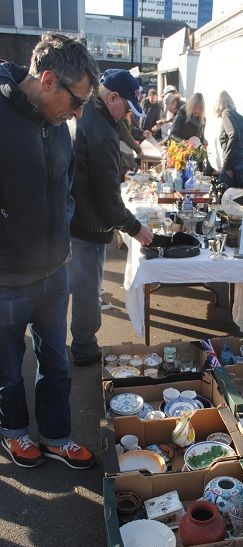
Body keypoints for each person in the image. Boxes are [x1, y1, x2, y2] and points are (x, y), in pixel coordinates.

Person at [0, 32, 99, 469]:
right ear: (47, 80)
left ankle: (57, 435)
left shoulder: (59, 125)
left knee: (57, 361)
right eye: (76, 101)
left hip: (54, 272)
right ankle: (14, 433)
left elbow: (67, 185)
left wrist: (61, 224)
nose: (78, 112)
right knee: (6, 366)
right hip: (6, 275)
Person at [68, 69, 153, 367]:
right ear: (112, 97)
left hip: (78, 215)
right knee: (87, 290)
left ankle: (82, 342)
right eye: (127, 107)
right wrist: (137, 228)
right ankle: (83, 347)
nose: (127, 114)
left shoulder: (90, 111)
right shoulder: (101, 129)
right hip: (86, 223)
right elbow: (108, 201)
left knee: (81, 286)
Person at [214, 90, 243, 188]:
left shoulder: (226, 114)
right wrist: (242, 153)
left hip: (233, 166)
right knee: (240, 199)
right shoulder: (240, 117)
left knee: (220, 197)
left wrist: (228, 165)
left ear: (219, 104)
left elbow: (234, 134)